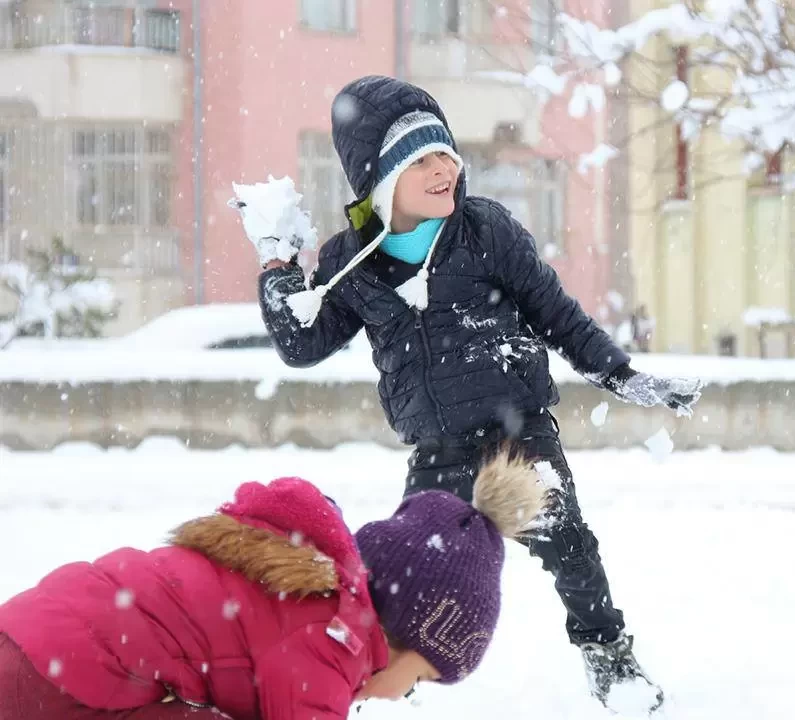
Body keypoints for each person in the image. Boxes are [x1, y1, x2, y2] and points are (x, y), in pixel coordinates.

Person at [243, 74, 702, 714]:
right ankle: (378, 683)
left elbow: (556, 313)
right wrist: (277, 266)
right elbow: (302, 344)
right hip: (436, 450)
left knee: (569, 547)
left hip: (519, 434)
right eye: (422, 159)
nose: (444, 171)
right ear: (380, 179)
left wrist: (621, 375)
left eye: (447, 155)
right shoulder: (352, 260)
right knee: (401, 582)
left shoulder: (485, 231)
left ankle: (610, 659)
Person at [0, 453, 544, 719]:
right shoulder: (333, 642)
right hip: (53, 681)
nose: (404, 695)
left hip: (36, 639)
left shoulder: (305, 588)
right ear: (403, 632)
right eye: (421, 678)